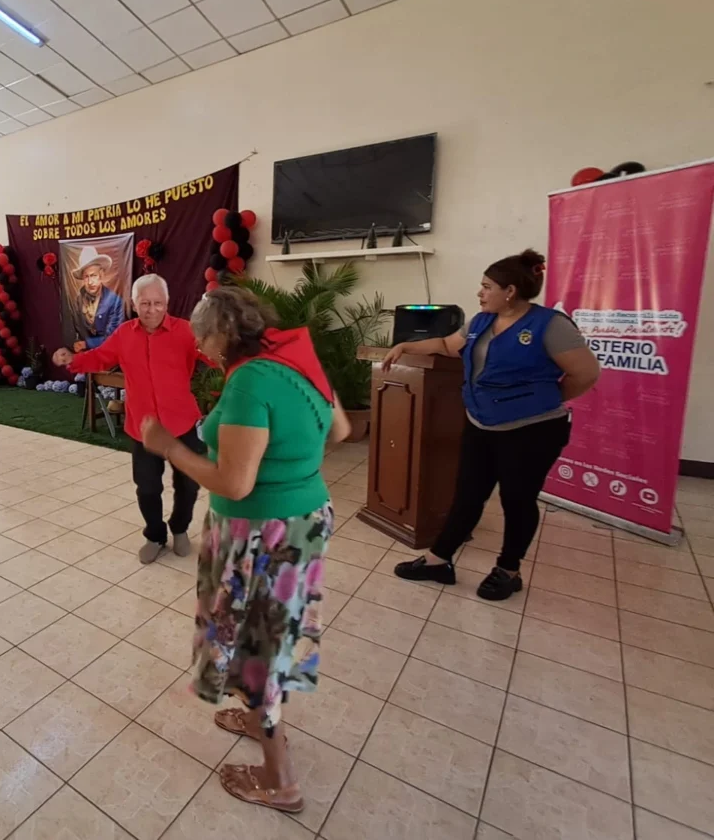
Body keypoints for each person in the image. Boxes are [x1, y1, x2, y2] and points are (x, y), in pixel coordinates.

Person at [140, 286, 350, 813]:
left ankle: (282, 781)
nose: (203, 351)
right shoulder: (296, 359)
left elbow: (233, 484)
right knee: (268, 634)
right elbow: (341, 429)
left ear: (223, 333)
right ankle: (258, 719)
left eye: (204, 338)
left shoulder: (249, 383)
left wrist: (170, 447)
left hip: (263, 536)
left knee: (258, 649)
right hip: (305, 519)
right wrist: (291, 468)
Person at [386, 249, 601, 601]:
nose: (480, 293)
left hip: (533, 429)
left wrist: (544, 398)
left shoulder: (550, 325)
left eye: (487, 287)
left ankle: (508, 569)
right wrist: (406, 344)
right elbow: (445, 344)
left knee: (517, 500)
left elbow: (586, 373)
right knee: (467, 495)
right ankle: (439, 560)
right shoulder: (482, 321)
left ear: (511, 291)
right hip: (481, 422)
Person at [54, 274, 206, 564]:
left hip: (181, 423)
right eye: (145, 303)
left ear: (167, 303)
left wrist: (231, 349)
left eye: (157, 303)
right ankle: (155, 535)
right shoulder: (125, 334)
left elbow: (211, 354)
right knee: (147, 487)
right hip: (143, 427)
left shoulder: (186, 331)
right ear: (134, 304)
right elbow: (99, 358)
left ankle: (180, 528)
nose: (151, 309)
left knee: (188, 484)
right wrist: (72, 360)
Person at [70, 245, 126, 351]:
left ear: (101, 275)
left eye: (94, 275)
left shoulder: (115, 301)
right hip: (85, 355)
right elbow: (76, 329)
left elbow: (114, 335)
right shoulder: (78, 299)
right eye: (86, 277)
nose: (90, 282)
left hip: (109, 354)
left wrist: (87, 344)